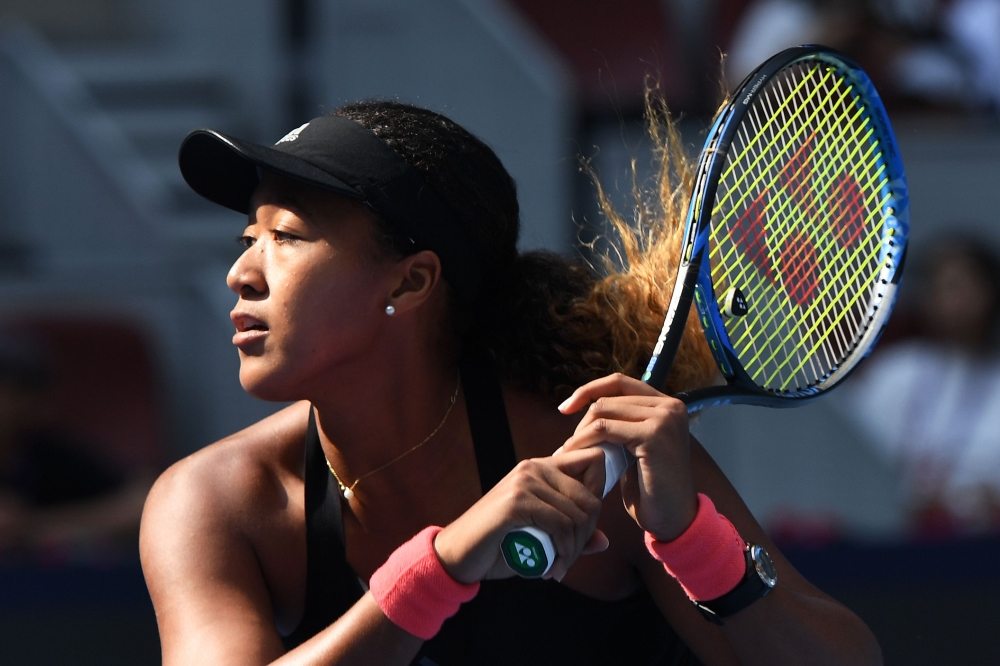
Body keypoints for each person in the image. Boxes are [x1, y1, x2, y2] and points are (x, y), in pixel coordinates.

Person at [140, 99, 881, 665]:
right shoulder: (212, 502)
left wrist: (690, 538)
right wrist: (443, 564)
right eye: (247, 240)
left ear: (413, 280)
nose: (241, 273)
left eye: (286, 238)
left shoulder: (595, 449)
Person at [841, 237, 1000, 537]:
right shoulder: (895, 371)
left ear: (989, 292)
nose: (950, 300)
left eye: (959, 286)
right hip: (898, 537)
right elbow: (857, 454)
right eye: (938, 287)